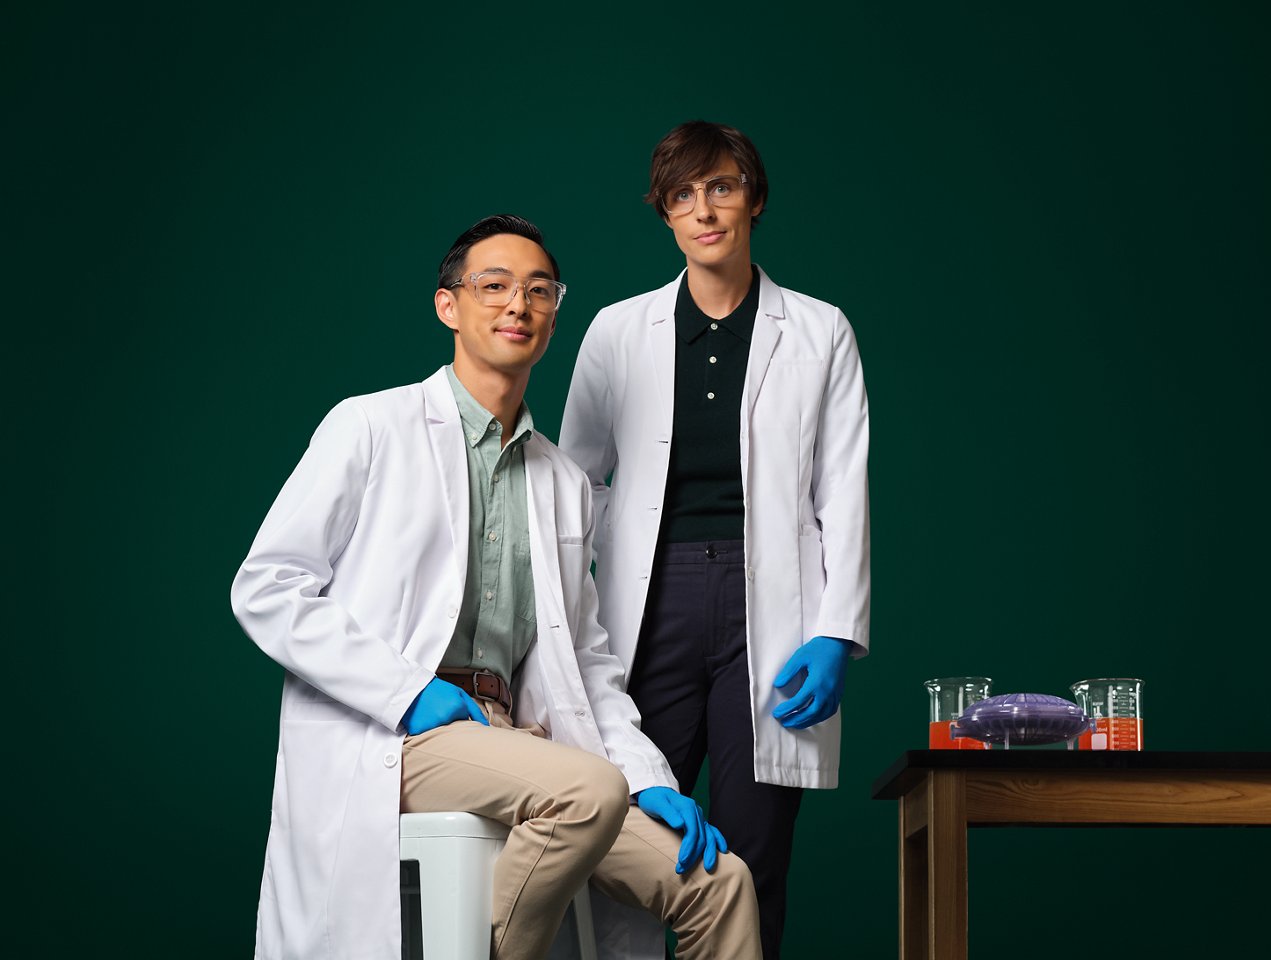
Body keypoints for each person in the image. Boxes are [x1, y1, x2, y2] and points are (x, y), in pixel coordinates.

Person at [230, 214, 762, 960]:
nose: (519, 304)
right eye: (495, 286)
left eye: (540, 291)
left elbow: (586, 657)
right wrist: (406, 691)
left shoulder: (564, 479)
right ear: (449, 305)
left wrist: (649, 776)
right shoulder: (371, 427)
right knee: (585, 792)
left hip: (517, 742)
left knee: (719, 882)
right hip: (397, 735)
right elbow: (268, 586)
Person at [559, 121, 871, 959]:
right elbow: (571, 485)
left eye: (723, 187)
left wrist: (836, 631)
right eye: (684, 195)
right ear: (664, 213)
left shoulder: (820, 331)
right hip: (647, 603)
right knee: (626, 845)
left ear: (754, 199)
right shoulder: (617, 332)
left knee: (752, 852)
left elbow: (841, 489)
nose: (705, 210)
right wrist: (576, 610)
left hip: (770, 612)